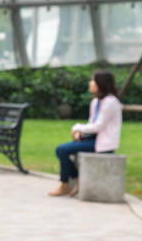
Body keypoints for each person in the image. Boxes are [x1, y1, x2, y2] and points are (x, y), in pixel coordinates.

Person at [49, 69, 122, 197]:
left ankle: (66, 184)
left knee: (62, 150)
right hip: (93, 140)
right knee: (64, 150)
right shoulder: (96, 102)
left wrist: (77, 127)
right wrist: (81, 134)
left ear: (101, 83)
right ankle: (74, 181)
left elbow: (98, 127)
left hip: (103, 145)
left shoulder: (110, 102)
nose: (90, 83)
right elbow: (91, 125)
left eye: (93, 80)